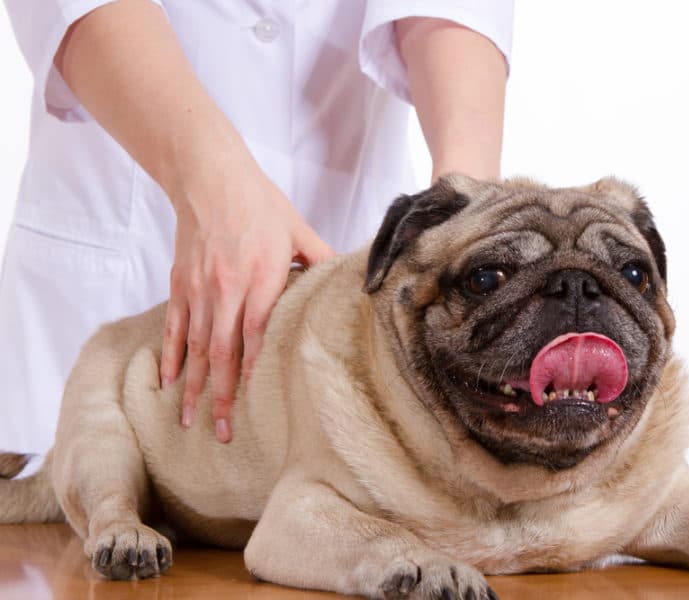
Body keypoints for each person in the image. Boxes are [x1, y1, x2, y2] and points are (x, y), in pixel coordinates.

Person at [0, 0, 512, 460]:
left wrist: (469, 206)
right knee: (71, 509)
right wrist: (208, 179)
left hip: (350, 230)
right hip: (123, 230)